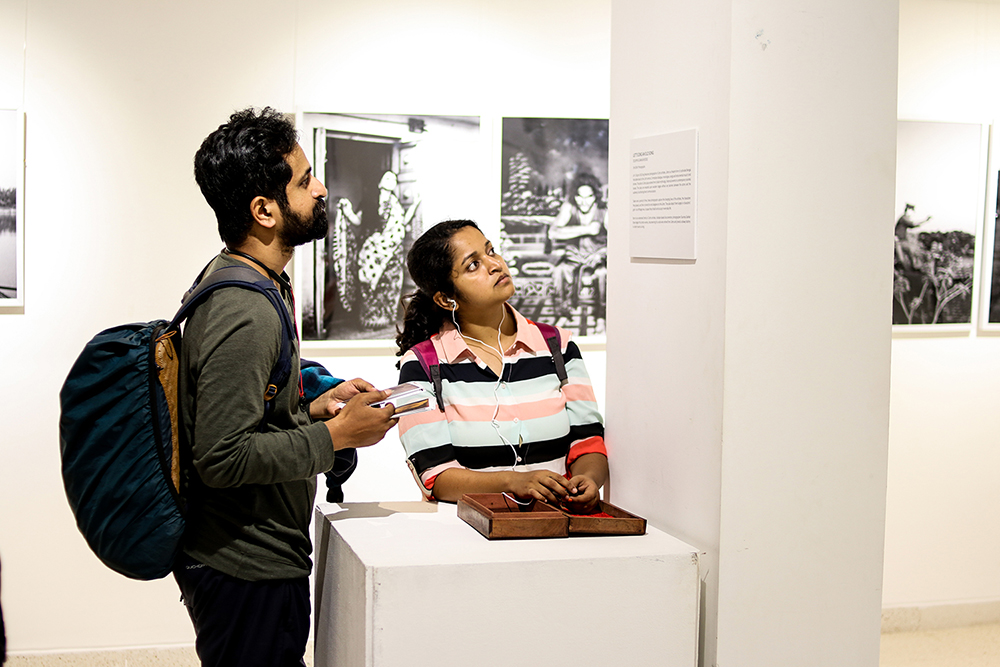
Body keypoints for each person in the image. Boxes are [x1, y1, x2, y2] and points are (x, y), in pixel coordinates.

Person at [176, 107, 398, 667]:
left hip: (254, 557)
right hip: (246, 566)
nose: (320, 189)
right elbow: (221, 456)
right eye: (305, 180)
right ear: (264, 210)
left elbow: (252, 410)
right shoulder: (244, 308)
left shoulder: (255, 280)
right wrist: (337, 437)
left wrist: (311, 406)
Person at [394, 220, 608, 510]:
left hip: (557, 526)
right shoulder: (420, 365)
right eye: (473, 265)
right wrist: (513, 481)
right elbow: (436, 475)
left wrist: (588, 480)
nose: (495, 265)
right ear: (446, 298)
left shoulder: (558, 346)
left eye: (491, 251)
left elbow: (588, 440)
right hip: (468, 532)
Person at [548, 173, 607, 327]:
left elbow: (618, 240)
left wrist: (601, 253)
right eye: (579, 196)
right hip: (573, 256)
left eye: (589, 197)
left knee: (603, 273)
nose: (583, 201)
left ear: (595, 196)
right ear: (574, 196)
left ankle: (601, 316)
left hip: (597, 256)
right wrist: (586, 229)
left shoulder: (604, 211)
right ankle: (564, 313)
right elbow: (553, 232)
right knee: (559, 270)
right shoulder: (569, 207)